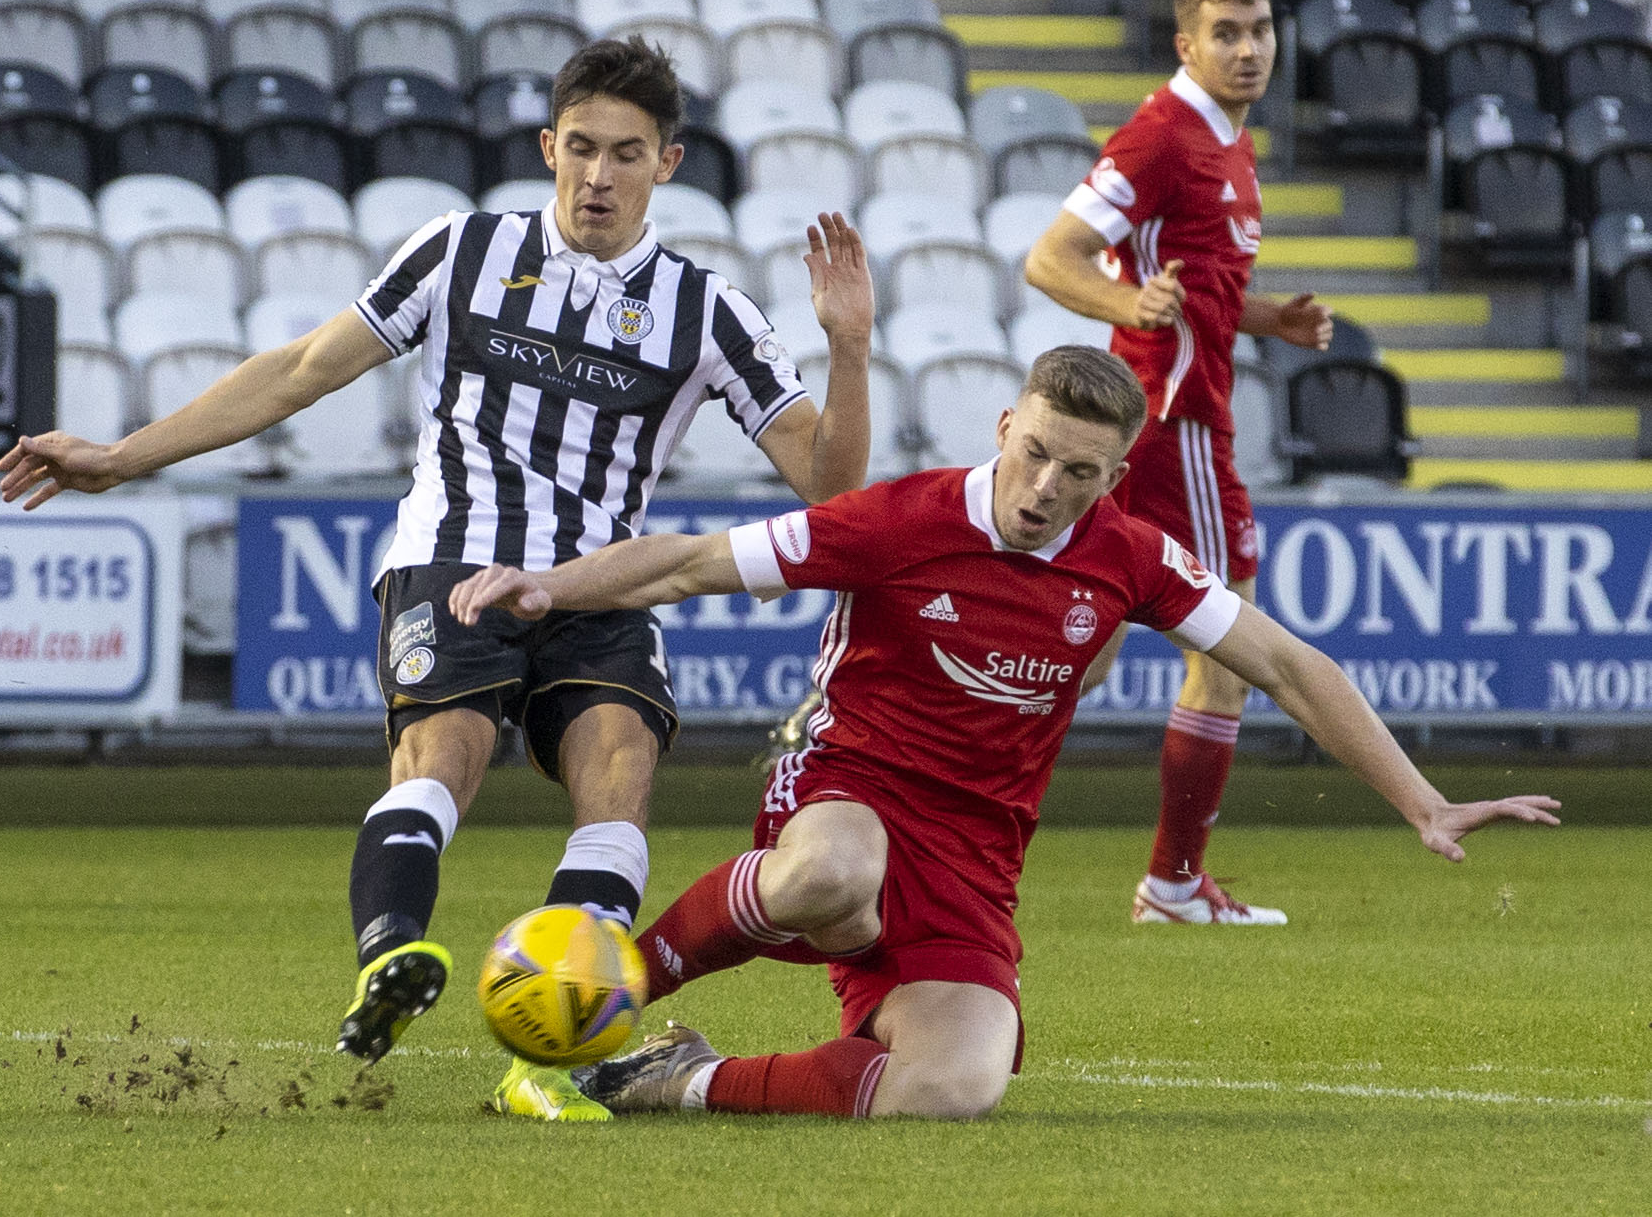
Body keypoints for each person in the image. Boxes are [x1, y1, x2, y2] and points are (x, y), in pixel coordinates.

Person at [0, 37, 878, 1121]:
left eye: (627, 155)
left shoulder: (709, 313)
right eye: (583, 148)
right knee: (445, 751)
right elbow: (303, 369)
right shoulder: (459, 250)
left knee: (619, 776)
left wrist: (848, 349)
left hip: (599, 582)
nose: (599, 175)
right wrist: (126, 455)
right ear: (548, 147)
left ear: (670, 164)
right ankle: (392, 957)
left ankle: (541, 1058)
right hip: (449, 558)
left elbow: (829, 494)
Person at [447, 346, 1561, 1120]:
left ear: (1115, 475)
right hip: (851, 784)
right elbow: (691, 558)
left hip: (978, 851)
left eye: (1079, 470)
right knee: (832, 871)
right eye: (1034, 451)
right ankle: (604, 989)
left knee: (953, 1087)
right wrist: (553, 585)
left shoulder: (1126, 553)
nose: (1045, 486)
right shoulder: (901, 520)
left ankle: (668, 1079)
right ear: (1004, 428)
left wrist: (1424, 799)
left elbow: (1286, 663)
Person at [1023, 0, 1332, 925]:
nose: (1249, 49)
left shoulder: (1227, 143)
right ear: (1186, 44)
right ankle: (1172, 882)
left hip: (1171, 417)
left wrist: (1265, 316)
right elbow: (1050, 258)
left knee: (1080, 645)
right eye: (1228, 33)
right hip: (1176, 424)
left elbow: (1191, 288)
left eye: (1260, 29)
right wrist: (1127, 303)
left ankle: (912, 788)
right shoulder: (1163, 136)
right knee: (1229, 650)